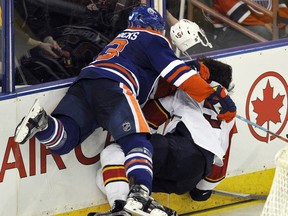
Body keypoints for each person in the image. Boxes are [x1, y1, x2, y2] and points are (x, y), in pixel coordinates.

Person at [14, 5, 236, 216]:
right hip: (116, 88)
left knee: (65, 139)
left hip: (85, 84)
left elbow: (156, 85)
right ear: (153, 27)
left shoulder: (115, 43)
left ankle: (42, 123)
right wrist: (211, 95)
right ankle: (140, 195)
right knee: (137, 141)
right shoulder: (151, 37)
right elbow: (177, 73)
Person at [87, 19, 236, 216]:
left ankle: (130, 204)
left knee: (115, 151)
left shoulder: (183, 96)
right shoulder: (228, 116)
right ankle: (128, 208)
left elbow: (142, 124)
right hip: (192, 175)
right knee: (107, 176)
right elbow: (220, 162)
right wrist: (202, 191)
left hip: (181, 150)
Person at [211, 0, 288, 49]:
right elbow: (238, 13)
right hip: (226, 32)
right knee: (263, 32)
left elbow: (280, 7)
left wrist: (284, 24)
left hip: (265, 26)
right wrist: (267, 26)